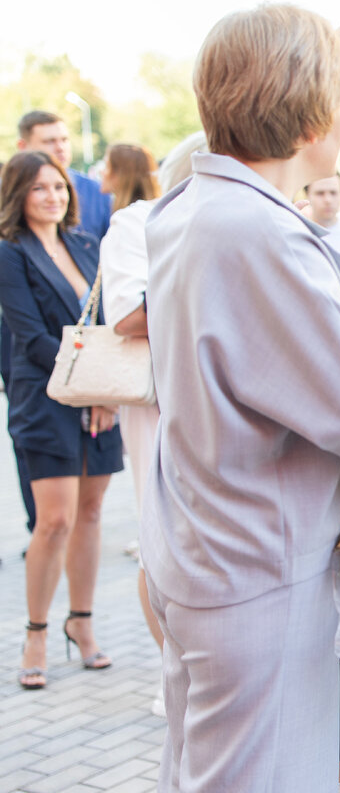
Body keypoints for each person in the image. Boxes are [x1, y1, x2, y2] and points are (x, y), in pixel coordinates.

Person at [139, 1, 340, 791]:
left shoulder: (186, 205)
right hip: (260, 568)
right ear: (318, 115)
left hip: (203, 545)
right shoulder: (263, 235)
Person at [0, 151, 124, 690]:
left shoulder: (86, 244)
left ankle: (84, 622)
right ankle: (36, 633)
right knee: (53, 522)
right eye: (39, 189)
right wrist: (89, 387)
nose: (53, 196)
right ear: (18, 196)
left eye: (58, 187)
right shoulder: (9, 253)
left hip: (97, 397)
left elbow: (108, 324)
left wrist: (104, 390)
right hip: (45, 397)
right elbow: (31, 338)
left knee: (92, 514)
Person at [97, 138, 179, 712]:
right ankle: (173, 673)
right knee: (161, 541)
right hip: (157, 403)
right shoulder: (135, 224)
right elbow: (127, 315)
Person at [17, 110, 112, 239]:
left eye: (64, 140)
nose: (60, 148)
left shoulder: (97, 191)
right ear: (23, 146)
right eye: (49, 141)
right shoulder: (7, 191)